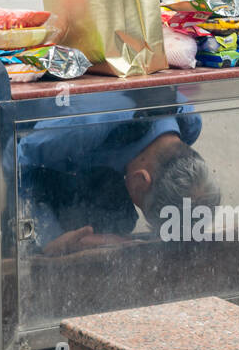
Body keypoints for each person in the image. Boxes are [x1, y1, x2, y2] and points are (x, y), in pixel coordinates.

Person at [11, 104, 220, 256]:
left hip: (80, 161)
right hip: (25, 145)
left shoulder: (188, 124)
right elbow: (12, 162)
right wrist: (48, 237)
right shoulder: (84, 127)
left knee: (120, 219)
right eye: (145, 208)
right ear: (141, 181)